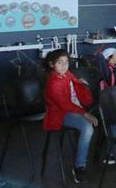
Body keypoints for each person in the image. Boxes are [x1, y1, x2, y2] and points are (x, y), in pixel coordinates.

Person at [43, 49, 96, 184]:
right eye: (59, 63)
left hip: (75, 110)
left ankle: (112, 154)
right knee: (87, 127)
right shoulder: (53, 82)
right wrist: (85, 114)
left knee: (103, 116)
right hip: (60, 115)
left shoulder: (68, 75)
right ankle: (80, 166)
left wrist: (81, 84)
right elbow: (65, 105)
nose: (64, 66)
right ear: (51, 64)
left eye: (66, 62)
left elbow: (80, 96)